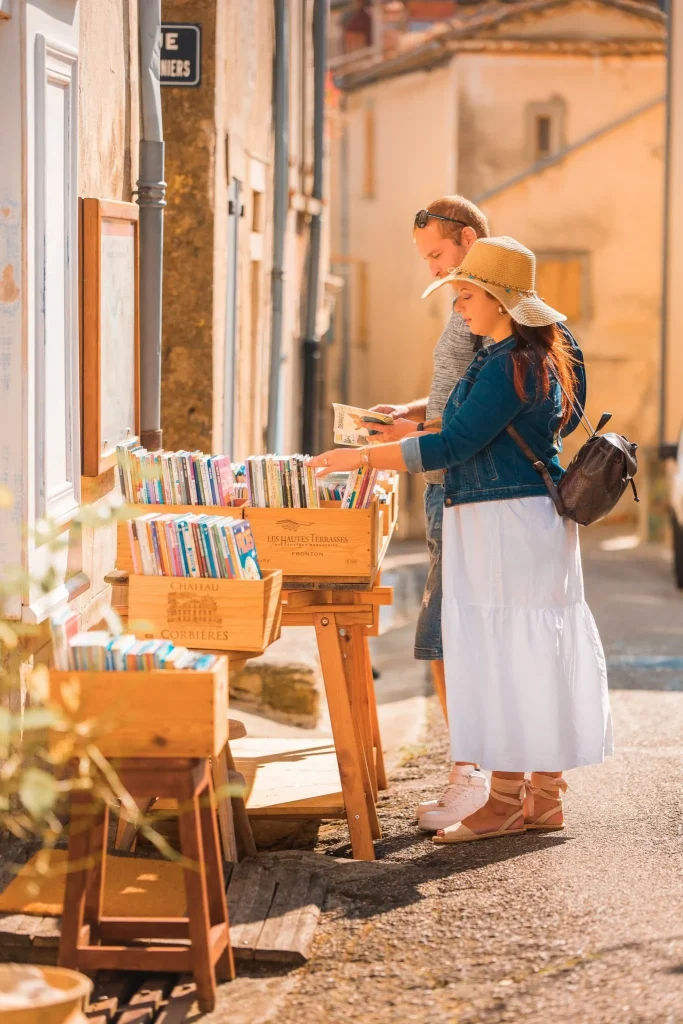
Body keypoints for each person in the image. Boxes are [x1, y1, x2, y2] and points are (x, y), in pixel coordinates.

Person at [310, 236, 612, 844]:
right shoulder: (508, 356)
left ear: (501, 301)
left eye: (467, 294)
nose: (459, 306)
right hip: (514, 520)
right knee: (530, 655)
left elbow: (454, 446)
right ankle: (542, 798)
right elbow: (463, 427)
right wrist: (406, 426)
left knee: (508, 653)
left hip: (507, 522)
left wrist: (358, 456)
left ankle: (504, 802)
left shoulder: (507, 363)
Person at [367, 196, 493, 831]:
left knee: (451, 638)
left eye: (438, 255)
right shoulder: (463, 303)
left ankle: (469, 775)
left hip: (462, 486)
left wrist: (391, 449)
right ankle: (471, 772)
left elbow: (480, 415)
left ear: (468, 240)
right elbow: (457, 398)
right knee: (446, 636)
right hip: (444, 483)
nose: (431, 271)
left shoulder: (488, 310)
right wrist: (414, 412)